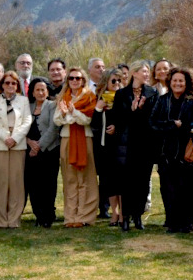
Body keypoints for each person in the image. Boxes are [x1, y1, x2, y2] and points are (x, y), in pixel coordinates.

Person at [151, 67, 193, 233]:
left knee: (187, 189)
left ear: (186, 82)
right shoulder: (163, 100)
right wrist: (172, 125)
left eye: (181, 81)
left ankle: (186, 223)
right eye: (175, 80)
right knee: (168, 189)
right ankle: (172, 222)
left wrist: (182, 127)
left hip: (187, 152)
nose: (178, 83)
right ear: (170, 82)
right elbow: (153, 123)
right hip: (166, 153)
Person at [110, 61, 156, 231]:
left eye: (148, 72)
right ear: (134, 73)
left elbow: (153, 117)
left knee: (142, 182)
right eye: (143, 71)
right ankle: (126, 217)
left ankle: (138, 216)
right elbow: (117, 118)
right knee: (127, 182)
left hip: (145, 144)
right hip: (127, 145)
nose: (146, 74)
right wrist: (131, 110)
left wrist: (141, 110)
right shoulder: (122, 94)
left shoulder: (152, 92)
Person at [54, 67, 101, 227]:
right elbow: (57, 120)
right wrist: (68, 115)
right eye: (72, 78)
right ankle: (70, 217)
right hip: (67, 138)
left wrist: (73, 113)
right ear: (68, 80)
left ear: (83, 80)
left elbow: (88, 120)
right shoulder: (62, 97)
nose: (74, 81)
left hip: (85, 138)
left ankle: (85, 216)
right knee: (69, 178)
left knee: (86, 178)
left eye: (78, 78)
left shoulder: (89, 97)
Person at [0, 70, 32, 228]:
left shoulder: (23, 101)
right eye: (7, 83)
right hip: (0, 145)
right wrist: (6, 137)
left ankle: (14, 219)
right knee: (0, 182)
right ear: (2, 85)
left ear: (17, 85)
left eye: (13, 83)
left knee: (16, 183)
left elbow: (27, 121)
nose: (10, 86)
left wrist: (15, 138)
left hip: (18, 145)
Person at [93, 68, 127, 227]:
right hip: (105, 147)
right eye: (113, 81)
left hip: (121, 147)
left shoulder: (126, 98)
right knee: (108, 181)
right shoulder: (99, 99)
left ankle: (123, 214)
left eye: (119, 80)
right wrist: (98, 109)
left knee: (121, 181)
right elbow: (93, 124)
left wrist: (117, 128)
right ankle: (114, 212)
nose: (117, 84)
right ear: (106, 82)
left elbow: (129, 121)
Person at [25, 77, 60, 228]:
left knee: (49, 184)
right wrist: (29, 142)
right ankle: (38, 215)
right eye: (37, 90)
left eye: (43, 89)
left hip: (49, 151)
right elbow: (20, 127)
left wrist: (39, 146)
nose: (40, 92)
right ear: (32, 92)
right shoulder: (27, 106)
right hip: (30, 152)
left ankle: (48, 215)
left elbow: (54, 128)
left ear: (47, 91)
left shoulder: (52, 105)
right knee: (34, 185)